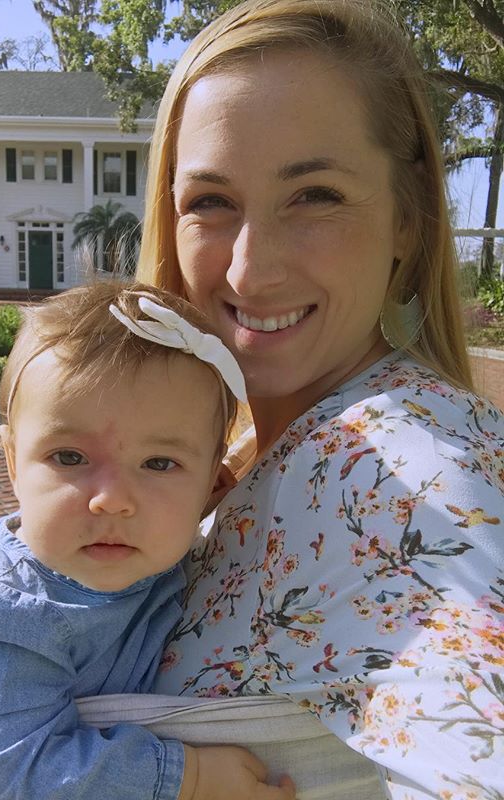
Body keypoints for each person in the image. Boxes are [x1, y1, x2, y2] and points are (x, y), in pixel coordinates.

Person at [133, 0, 504, 797]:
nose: (247, 272)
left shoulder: (403, 472)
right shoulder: (227, 452)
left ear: (410, 219)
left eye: (316, 196)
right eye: (210, 202)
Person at [0, 281, 295, 800]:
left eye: (159, 463)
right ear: (11, 462)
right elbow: (24, 771)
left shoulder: (179, 554)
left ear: (212, 489)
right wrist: (193, 778)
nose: (112, 500)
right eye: (69, 458)